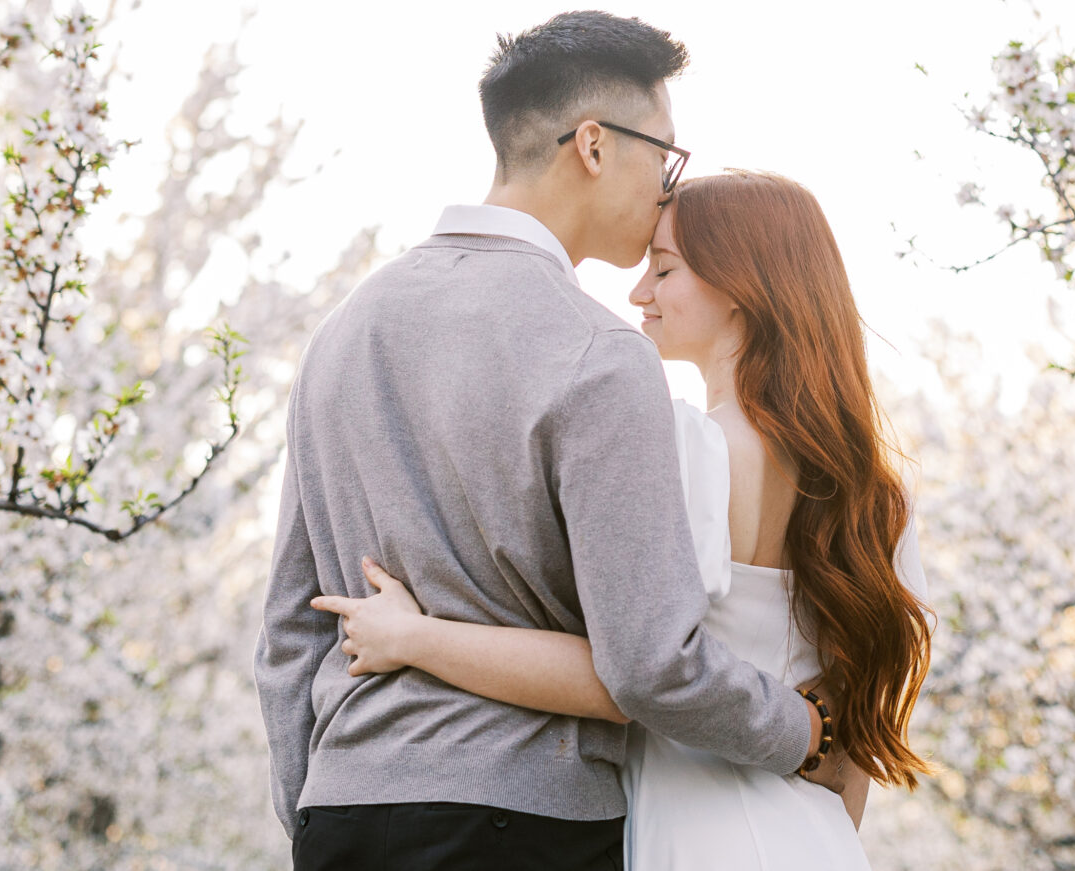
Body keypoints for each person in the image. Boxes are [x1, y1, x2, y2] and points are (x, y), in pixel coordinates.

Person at [256, 11, 844, 871]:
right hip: (524, 820)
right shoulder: (597, 352)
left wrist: (314, 800)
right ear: (596, 145)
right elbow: (650, 665)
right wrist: (805, 728)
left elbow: (287, 630)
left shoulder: (342, 334)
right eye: (664, 156)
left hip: (341, 814)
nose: (666, 189)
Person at [314, 170, 933, 868]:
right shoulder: (875, 493)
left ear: (740, 286)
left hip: (692, 834)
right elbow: (846, 759)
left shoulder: (687, 449)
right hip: (813, 837)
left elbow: (625, 676)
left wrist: (414, 637)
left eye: (664, 269)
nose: (638, 292)